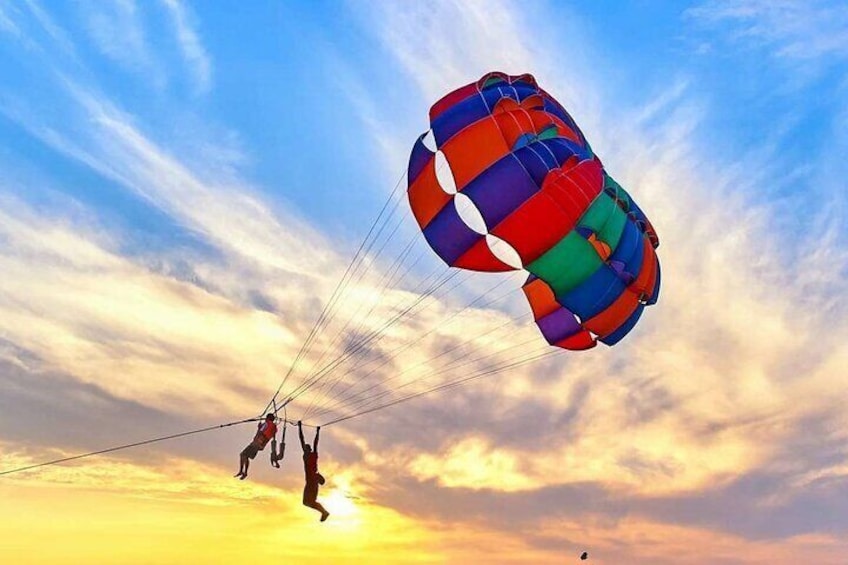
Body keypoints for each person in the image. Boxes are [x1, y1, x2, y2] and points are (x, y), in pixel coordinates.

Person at [299, 420, 329, 522]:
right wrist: (317, 432)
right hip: (313, 481)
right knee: (308, 501)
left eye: (306, 448)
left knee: (307, 502)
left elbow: (302, 440)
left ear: (307, 449)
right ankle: (324, 512)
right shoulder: (313, 455)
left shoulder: (307, 455)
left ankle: (324, 512)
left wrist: (300, 427)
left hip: (312, 481)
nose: (305, 448)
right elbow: (314, 443)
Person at [234, 414, 277, 480]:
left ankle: (242, 472)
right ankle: (244, 472)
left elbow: (260, 432)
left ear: (268, 418)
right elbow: (270, 435)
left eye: (266, 418)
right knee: (245, 456)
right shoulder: (273, 427)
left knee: (242, 454)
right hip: (261, 445)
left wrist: (259, 427)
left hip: (256, 443)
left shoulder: (266, 424)